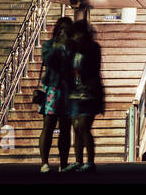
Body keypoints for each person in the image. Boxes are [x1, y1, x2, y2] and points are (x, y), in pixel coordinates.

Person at [67, 21, 105, 173]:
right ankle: (78, 161)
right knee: (76, 128)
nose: (76, 36)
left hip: (89, 92)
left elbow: (92, 68)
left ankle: (90, 161)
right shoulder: (72, 49)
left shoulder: (93, 48)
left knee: (84, 126)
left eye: (78, 33)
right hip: (75, 93)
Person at [37, 17, 74, 173]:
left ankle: (63, 163)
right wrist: (57, 46)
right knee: (48, 125)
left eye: (66, 29)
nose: (62, 32)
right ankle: (44, 162)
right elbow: (47, 60)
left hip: (68, 90)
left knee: (65, 128)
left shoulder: (73, 46)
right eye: (60, 28)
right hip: (52, 88)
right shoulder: (49, 45)